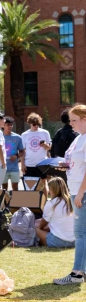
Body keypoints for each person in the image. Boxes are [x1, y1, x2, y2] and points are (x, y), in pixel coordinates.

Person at [54, 104, 86, 285]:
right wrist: (64, 166)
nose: (71, 124)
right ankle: (82, 271)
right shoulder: (79, 138)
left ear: (84, 119)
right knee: (83, 233)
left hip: (82, 192)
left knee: (80, 233)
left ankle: (76, 274)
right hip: (76, 190)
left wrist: (81, 193)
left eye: (74, 120)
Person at [36, 177, 74, 248]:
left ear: (52, 190)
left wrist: (40, 227)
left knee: (34, 230)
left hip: (57, 242)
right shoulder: (72, 201)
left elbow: (42, 224)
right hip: (74, 241)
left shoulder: (51, 203)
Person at [21, 113, 51, 193]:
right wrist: (22, 164)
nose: (36, 126)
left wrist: (45, 145)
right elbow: (22, 151)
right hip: (29, 163)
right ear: (29, 123)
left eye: (38, 124)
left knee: (44, 183)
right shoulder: (24, 135)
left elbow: (49, 148)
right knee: (29, 186)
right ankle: (31, 204)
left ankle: (44, 204)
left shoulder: (45, 133)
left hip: (42, 163)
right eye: (34, 124)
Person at [2, 116, 24, 191]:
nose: (10, 126)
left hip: (14, 167)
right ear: (3, 125)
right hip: (3, 167)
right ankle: (5, 202)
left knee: (15, 187)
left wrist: (16, 156)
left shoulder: (17, 137)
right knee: (4, 188)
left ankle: (15, 202)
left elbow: (22, 151)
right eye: (7, 125)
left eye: (11, 124)